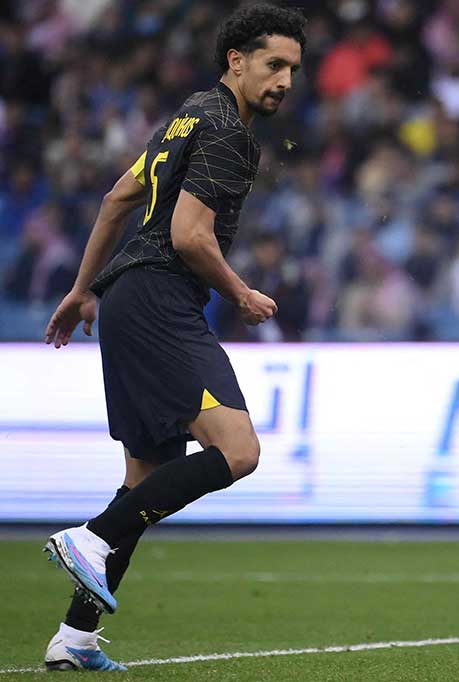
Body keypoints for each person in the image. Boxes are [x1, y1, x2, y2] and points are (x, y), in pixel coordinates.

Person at [39, 4, 305, 672]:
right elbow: (189, 235)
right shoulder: (229, 134)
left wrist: (83, 288)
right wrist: (240, 292)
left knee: (146, 478)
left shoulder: (189, 113)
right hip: (160, 297)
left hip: (126, 297)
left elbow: (115, 201)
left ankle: (74, 636)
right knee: (238, 450)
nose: (285, 82)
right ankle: (94, 539)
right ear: (235, 61)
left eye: (294, 70)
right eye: (274, 65)